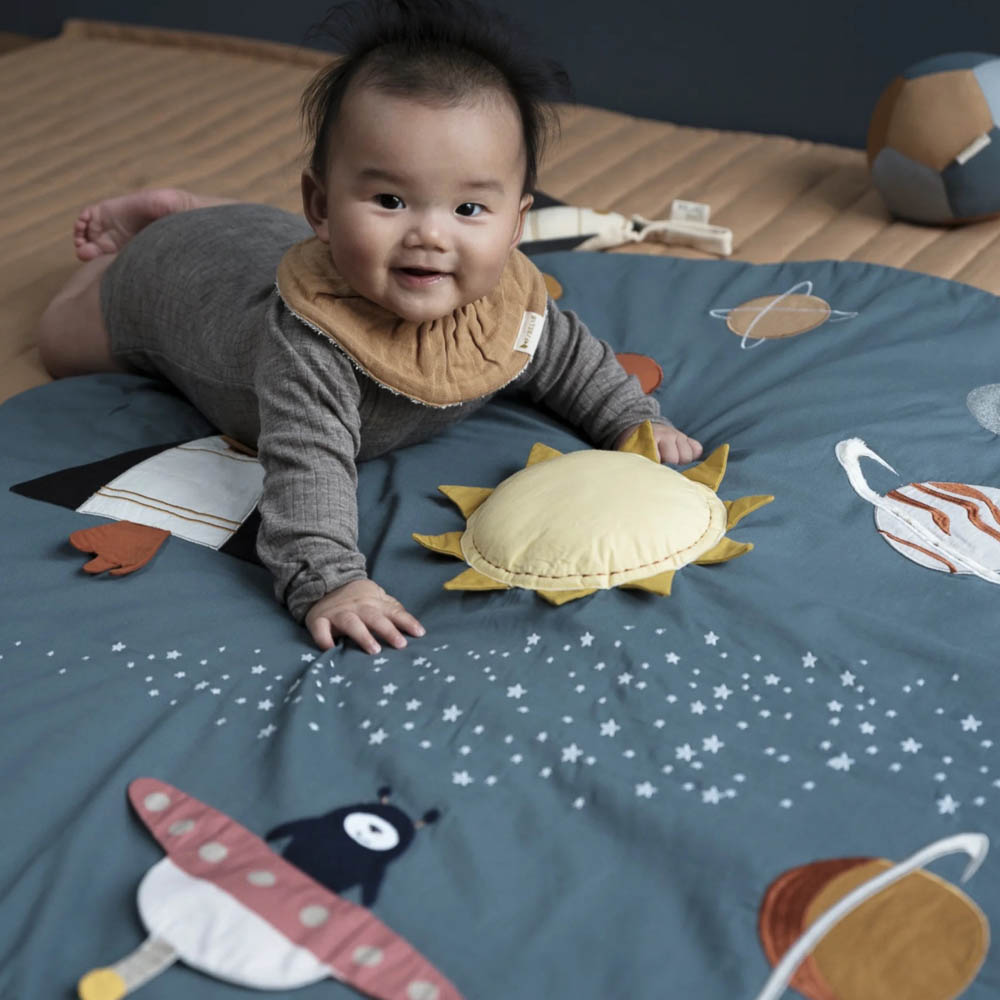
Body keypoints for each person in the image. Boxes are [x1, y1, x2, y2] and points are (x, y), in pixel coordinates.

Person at [36, 0, 702, 656]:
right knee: (60, 344)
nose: (429, 235)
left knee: (280, 243)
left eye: (470, 207)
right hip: (168, 285)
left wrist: (630, 421)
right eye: (390, 200)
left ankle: (196, 208)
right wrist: (331, 583)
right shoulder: (311, 342)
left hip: (267, 237)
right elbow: (308, 467)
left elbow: (567, 359)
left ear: (517, 222)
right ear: (321, 205)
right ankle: (136, 246)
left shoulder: (505, 304)